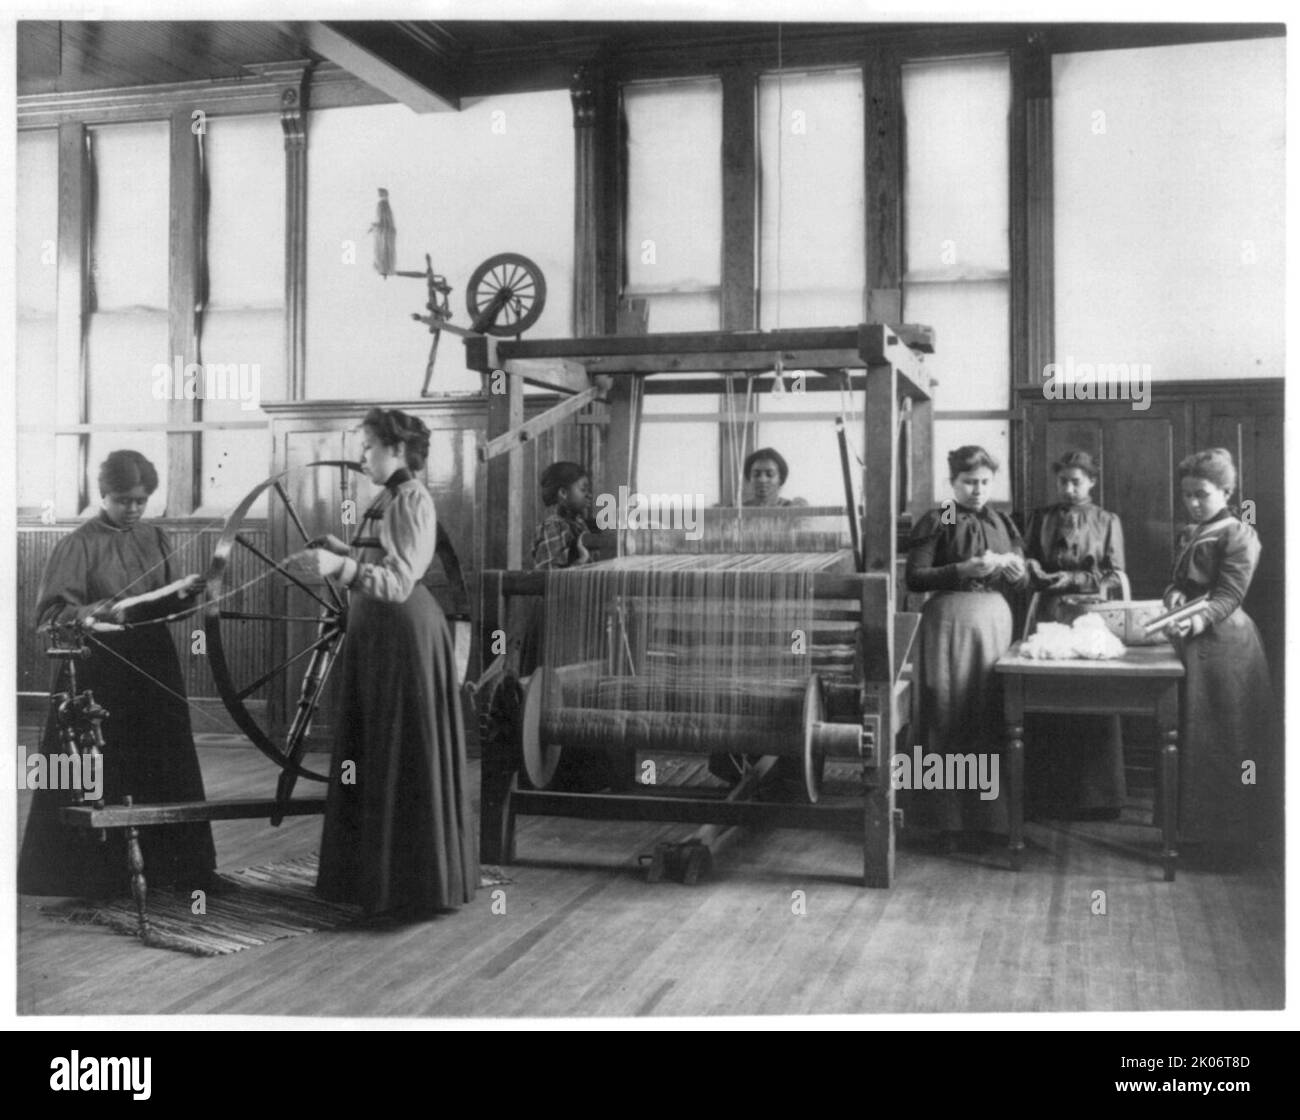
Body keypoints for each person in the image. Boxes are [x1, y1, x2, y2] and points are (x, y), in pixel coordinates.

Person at [288, 408, 477, 919]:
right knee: (377, 751)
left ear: (395, 450)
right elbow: (379, 562)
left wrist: (341, 567)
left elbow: (397, 582)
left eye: (368, 446)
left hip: (403, 636)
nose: (362, 455)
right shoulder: (388, 497)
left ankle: (408, 886)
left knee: (400, 753)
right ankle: (373, 879)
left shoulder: (411, 498)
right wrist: (339, 551)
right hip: (378, 635)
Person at [18, 450, 217, 897]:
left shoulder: (156, 537)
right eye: (123, 500)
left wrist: (182, 594)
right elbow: (51, 614)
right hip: (98, 669)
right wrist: (95, 612)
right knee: (99, 766)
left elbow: (163, 605)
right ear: (103, 495)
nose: (133, 509)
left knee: (162, 759)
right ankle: (90, 876)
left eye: (141, 501)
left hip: (152, 663)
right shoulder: (79, 544)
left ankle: (175, 870)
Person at [1160, 448, 1278, 864]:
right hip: (1193, 643)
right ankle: (1192, 835)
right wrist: (1174, 594)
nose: (1193, 502)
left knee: (1226, 740)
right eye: (1187, 494)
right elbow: (1181, 584)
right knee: (1197, 738)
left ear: (1226, 491)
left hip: (1226, 646)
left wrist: (1194, 620)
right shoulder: (1191, 530)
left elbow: (1229, 595)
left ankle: (1230, 843)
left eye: (1202, 494)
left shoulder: (1238, 533)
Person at [905, 445, 1028, 843]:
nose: (977, 490)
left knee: (989, 711)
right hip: (950, 623)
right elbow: (916, 576)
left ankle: (990, 819)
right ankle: (946, 819)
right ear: (952, 482)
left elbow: (1023, 580)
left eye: (984, 482)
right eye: (969, 482)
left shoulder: (1002, 521)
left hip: (994, 622)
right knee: (947, 709)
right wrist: (963, 569)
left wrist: (1015, 570)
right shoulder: (940, 515)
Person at [1022, 450, 1128, 818]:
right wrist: (1035, 567)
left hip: (1090, 616)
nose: (1069, 488)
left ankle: (1097, 799)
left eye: (1077, 482)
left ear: (1092, 482)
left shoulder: (1107, 520)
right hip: (1048, 614)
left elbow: (1115, 574)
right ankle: (1047, 797)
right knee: (1048, 695)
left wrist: (1075, 578)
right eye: (1063, 482)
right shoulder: (1041, 518)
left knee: (1092, 696)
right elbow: (1026, 558)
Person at [741, 448, 807, 508]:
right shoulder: (738, 511)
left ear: (780, 479)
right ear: (749, 478)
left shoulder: (793, 508)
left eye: (770, 474)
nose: (762, 480)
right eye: (756, 474)